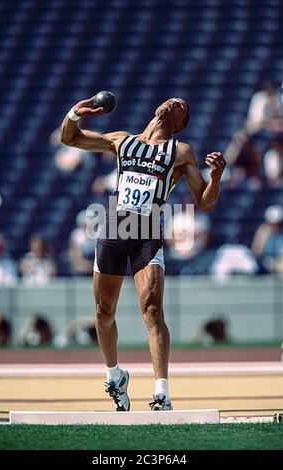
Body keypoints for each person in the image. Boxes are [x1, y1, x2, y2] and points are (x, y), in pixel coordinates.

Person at [60, 95, 226, 411]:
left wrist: (216, 176)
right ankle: (115, 376)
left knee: (152, 309)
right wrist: (74, 112)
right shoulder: (122, 141)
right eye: (172, 100)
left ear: (180, 123)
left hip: (146, 232)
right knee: (102, 311)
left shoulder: (180, 152)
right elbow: (69, 138)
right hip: (113, 227)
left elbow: (204, 202)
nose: (173, 103)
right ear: (156, 107)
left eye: (181, 106)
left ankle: (162, 393)